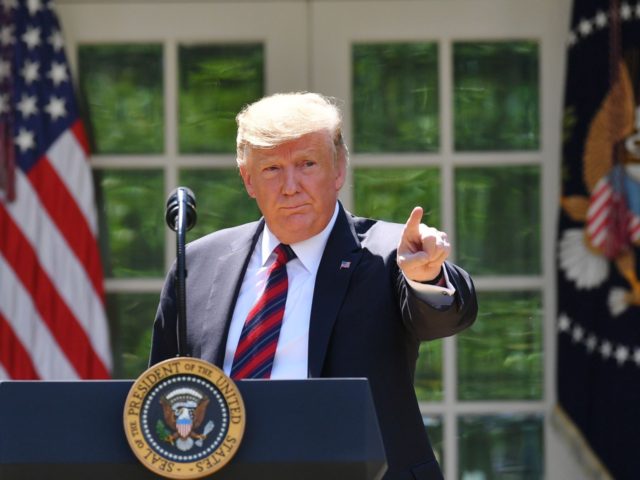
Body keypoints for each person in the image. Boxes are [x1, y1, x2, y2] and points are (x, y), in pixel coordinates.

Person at [150, 92, 477, 479]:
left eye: (307, 164)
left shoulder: (386, 254)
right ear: (247, 179)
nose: (291, 186)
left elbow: (447, 315)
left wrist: (425, 275)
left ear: (338, 169)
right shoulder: (200, 265)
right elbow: (161, 400)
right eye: (272, 168)